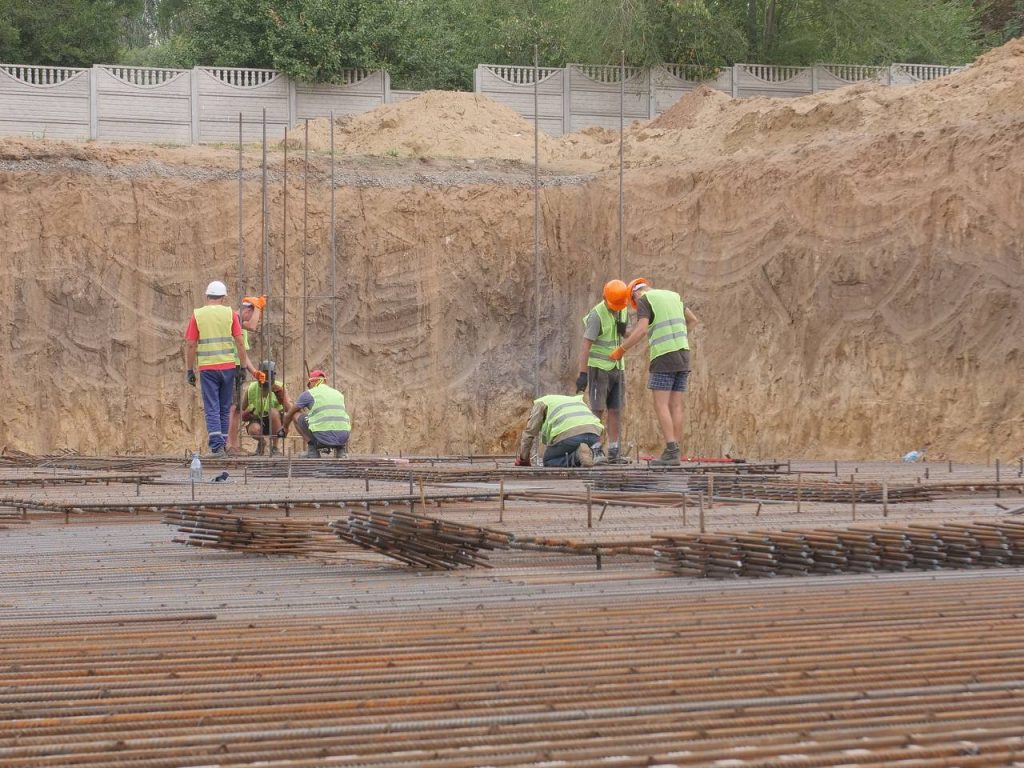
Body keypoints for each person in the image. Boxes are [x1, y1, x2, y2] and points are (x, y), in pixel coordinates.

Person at [609, 278, 698, 467]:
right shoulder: (673, 296)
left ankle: (671, 450)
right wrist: (679, 337)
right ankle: (675, 451)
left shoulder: (644, 300)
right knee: (676, 405)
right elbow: (693, 321)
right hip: (683, 354)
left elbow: (641, 330)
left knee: (661, 405)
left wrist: (621, 350)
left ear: (634, 294)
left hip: (664, 357)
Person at [184, 280, 263, 458]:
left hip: (208, 368)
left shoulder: (198, 314)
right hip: (228, 367)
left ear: (207, 295)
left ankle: (217, 447)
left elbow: (190, 344)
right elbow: (240, 341)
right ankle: (224, 445)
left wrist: (189, 370)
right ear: (223, 297)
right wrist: (243, 367)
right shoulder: (230, 314)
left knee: (212, 406)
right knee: (225, 407)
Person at [578, 279, 630, 463]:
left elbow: (628, 335)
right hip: (599, 369)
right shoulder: (596, 315)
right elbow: (586, 345)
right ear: (604, 297)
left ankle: (614, 450)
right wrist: (583, 373)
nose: (616, 308)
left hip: (617, 368)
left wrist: (626, 331)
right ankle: (596, 449)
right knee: (597, 410)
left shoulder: (622, 308)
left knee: (616, 409)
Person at [515, 393, 606, 468]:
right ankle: (594, 454)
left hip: (569, 435)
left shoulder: (540, 403)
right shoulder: (575, 400)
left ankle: (576, 457)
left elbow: (529, 433)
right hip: (594, 434)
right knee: (576, 448)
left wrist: (524, 459)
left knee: (549, 460)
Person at [280, 369, 351, 458]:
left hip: (322, 437)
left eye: (309, 384)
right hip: (343, 437)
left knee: (295, 414)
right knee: (338, 420)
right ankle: (341, 451)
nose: (309, 387)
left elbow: (289, 414)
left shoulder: (309, 394)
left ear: (313, 382)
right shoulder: (338, 394)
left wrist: (285, 427)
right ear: (325, 381)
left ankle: (312, 451)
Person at [227, 295, 266, 453]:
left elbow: (243, 353)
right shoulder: (233, 318)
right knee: (230, 408)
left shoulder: (239, 325)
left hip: (237, 368)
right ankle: (228, 444)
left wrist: (254, 371)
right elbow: (252, 326)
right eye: (253, 313)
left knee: (236, 409)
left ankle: (233, 445)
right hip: (228, 367)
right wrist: (258, 306)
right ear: (247, 310)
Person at [241, 360, 292, 456]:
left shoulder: (280, 386)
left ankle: (275, 447)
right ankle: (261, 442)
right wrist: (247, 414)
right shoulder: (252, 387)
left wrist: (281, 396)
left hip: (276, 421)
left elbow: (289, 409)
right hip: (257, 419)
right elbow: (243, 408)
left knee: (273, 412)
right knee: (254, 429)